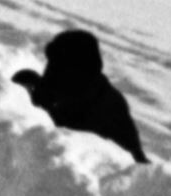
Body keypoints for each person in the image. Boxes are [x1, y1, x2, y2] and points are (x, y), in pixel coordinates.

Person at [12, 25, 147, 163]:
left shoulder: (101, 102)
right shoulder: (79, 85)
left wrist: (37, 94)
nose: (51, 69)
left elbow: (62, 127)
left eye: (57, 65)